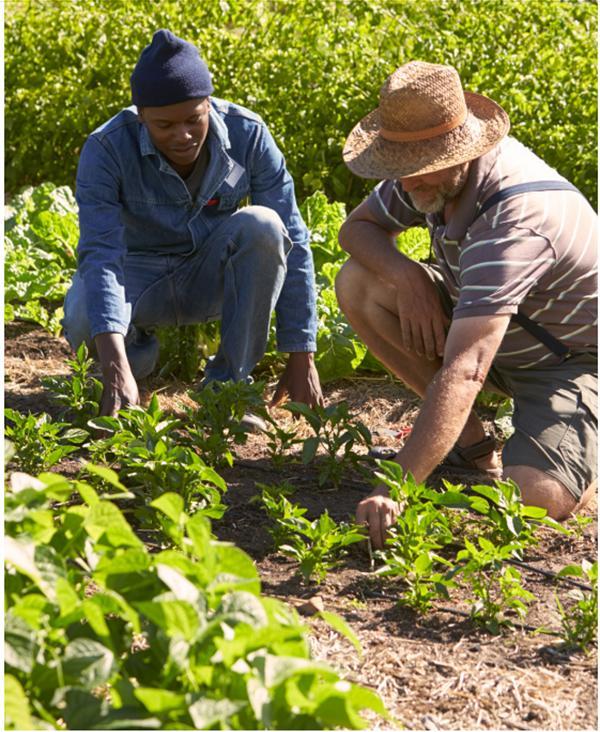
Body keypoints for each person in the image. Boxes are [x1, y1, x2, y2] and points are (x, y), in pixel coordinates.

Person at [337, 61, 597, 548]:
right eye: (401, 166)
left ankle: (581, 453)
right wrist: (407, 274)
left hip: (566, 361)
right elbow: (355, 230)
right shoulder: (423, 173)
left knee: (531, 502)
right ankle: (474, 447)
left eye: (420, 167)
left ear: (461, 147)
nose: (408, 184)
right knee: (360, 283)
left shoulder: (515, 220)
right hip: (484, 327)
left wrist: (397, 487)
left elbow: (467, 370)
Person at [63, 29, 323, 424]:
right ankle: (135, 362)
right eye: (164, 125)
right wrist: (114, 365)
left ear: (208, 105)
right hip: (139, 276)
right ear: (141, 117)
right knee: (83, 314)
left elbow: (295, 240)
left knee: (264, 226)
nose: (182, 135)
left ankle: (229, 389)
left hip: (208, 274)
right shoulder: (107, 148)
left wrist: (301, 353)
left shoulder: (248, 135)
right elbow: (102, 255)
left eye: (193, 119)